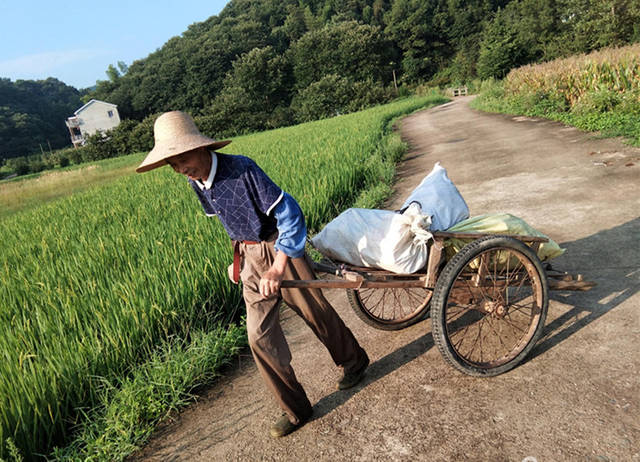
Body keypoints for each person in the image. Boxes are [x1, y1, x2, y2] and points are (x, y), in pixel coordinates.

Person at [136, 111, 369, 438]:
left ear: (202, 148)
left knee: (315, 313)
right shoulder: (198, 183)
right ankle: (296, 409)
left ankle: (354, 361)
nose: (180, 169)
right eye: (172, 164)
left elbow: (291, 215)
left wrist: (277, 265)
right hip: (249, 257)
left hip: (279, 248)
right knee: (258, 336)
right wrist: (238, 261)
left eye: (182, 158)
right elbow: (230, 221)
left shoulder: (242, 169)